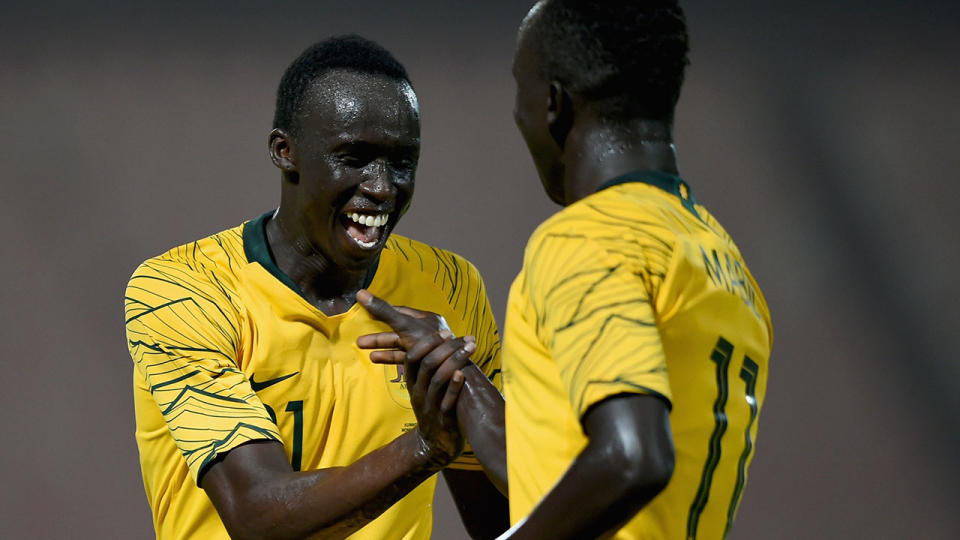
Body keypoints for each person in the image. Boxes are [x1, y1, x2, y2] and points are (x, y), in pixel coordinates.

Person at [358, 1, 774, 538]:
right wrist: (459, 376)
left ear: (553, 103)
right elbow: (568, 481)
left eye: (519, 89)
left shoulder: (587, 240)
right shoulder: (716, 257)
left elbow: (631, 458)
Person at [124, 35, 508, 539]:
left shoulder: (450, 285)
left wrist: (471, 390)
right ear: (285, 153)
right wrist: (425, 447)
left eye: (402, 162)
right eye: (355, 158)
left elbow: (505, 517)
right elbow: (256, 516)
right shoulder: (182, 290)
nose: (382, 187)